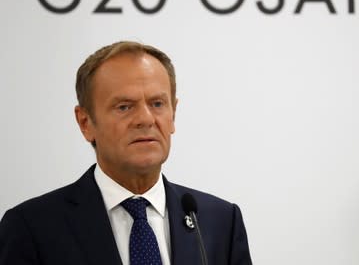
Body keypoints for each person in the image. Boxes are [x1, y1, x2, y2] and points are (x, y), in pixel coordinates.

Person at [0, 41, 252, 265]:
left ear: (173, 114)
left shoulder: (219, 221)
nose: (145, 118)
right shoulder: (31, 228)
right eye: (124, 107)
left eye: (157, 104)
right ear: (86, 122)